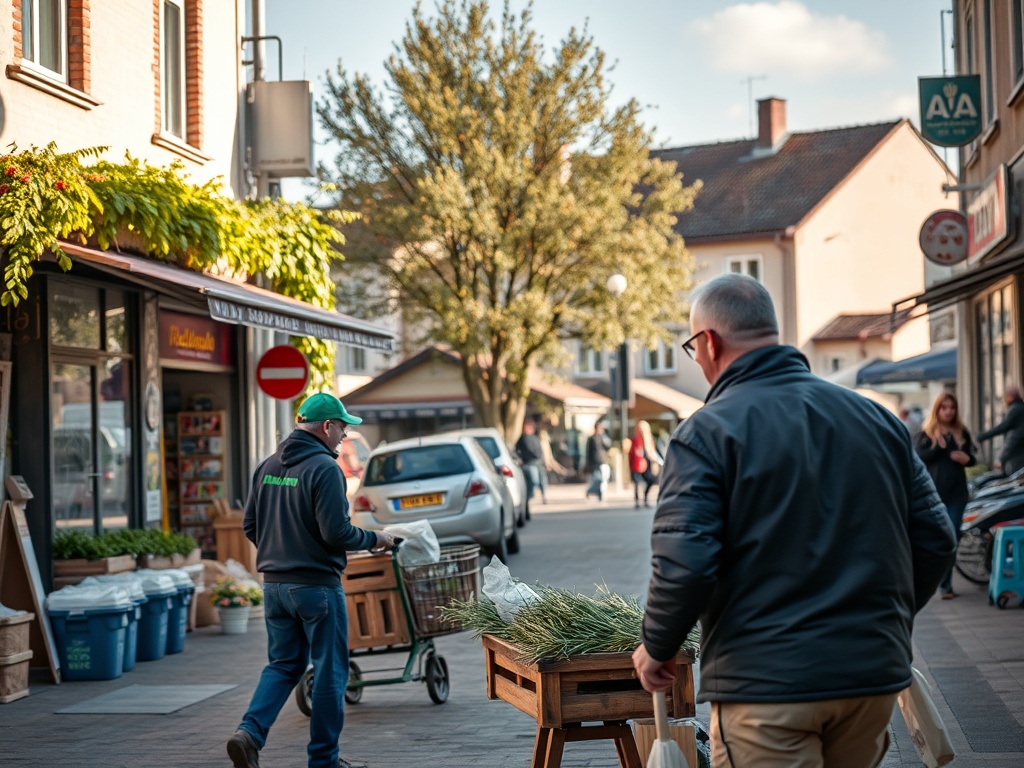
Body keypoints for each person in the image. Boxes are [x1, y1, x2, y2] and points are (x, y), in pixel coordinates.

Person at [631, 274, 956, 768]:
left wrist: (657, 646)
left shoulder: (705, 434)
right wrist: (878, 618)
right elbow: (935, 538)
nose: (697, 362)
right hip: (869, 679)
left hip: (768, 685)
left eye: (693, 348)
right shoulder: (879, 422)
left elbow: (688, 563)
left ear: (710, 343)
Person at [228, 392, 395, 768]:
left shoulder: (267, 465)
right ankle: (324, 760)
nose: (344, 437)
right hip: (317, 589)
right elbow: (337, 534)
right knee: (330, 670)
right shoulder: (325, 470)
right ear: (326, 426)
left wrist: (281, 553)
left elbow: (251, 525)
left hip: (274, 587)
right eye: (342, 429)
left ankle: (249, 733)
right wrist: (376, 539)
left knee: (283, 665)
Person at [915, 393, 976, 600]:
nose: (948, 411)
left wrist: (966, 459)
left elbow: (972, 458)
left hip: (957, 493)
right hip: (935, 494)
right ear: (937, 410)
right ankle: (938, 581)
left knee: (952, 537)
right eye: (944, 407)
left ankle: (945, 585)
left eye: (952, 407)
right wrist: (937, 447)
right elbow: (919, 458)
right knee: (938, 539)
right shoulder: (927, 433)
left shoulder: (961, 432)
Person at [977, 386, 1024, 475]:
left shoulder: (1015, 409)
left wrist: (1002, 458)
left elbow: (1009, 433)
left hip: (1017, 457)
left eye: (1005, 397)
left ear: (1010, 397)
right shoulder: (1019, 407)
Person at [628, 420, 662, 508]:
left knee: (652, 480)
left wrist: (658, 461)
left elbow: (656, 451)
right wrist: (630, 465)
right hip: (636, 464)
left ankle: (645, 497)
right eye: (640, 430)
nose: (641, 432)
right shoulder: (635, 440)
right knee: (637, 482)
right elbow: (631, 454)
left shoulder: (650, 439)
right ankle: (637, 501)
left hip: (647, 463)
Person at [515, 419, 547, 504]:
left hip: (538, 462)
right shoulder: (522, 439)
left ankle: (544, 496)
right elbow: (517, 451)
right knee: (534, 481)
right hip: (529, 463)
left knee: (542, 480)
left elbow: (540, 450)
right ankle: (529, 497)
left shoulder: (535, 438)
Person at [584, 422, 612, 502]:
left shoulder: (603, 437)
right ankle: (590, 491)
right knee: (598, 479)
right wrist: (588, 463)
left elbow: (608, 445)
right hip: (595, 462)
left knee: (603, 478)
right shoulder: (592, 438)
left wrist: (603, 436)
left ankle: (600, 495)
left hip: (603, 460)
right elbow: (588, 452)